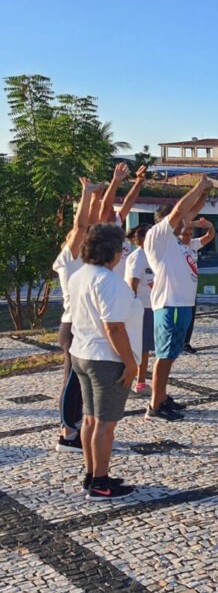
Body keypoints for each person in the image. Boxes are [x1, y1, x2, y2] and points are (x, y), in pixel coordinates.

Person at [68, 223, 142, 500]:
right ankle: (100, 482)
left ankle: (92, 473)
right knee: (105, 424)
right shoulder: (109, 282)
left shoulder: (79, 275)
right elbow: (113, 328)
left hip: (81, 353)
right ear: (113, 251)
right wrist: (130, 363)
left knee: (89, 419)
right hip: (105, 359)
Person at [143, 174, 213, 421]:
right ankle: (154, 405)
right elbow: (181, 210)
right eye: (180, 221)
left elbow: (191, 210)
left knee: (171, 354)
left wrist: (205, 193)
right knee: (164, 355)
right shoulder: (158, 236)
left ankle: (162, 396)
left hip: (182, 304)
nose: (186, 223)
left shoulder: (177, 242)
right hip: (169, 304)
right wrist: (198, 186)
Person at [53, 178, 101, 453]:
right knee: (73, 382)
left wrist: (95, 199)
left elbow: (89, 226)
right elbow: (81, 226)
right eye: (78, 238)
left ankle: (71, 428)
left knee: (78, 381)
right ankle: (67, 433)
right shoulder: (68, 259)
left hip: (81, 326)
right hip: (72, 326)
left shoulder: (80, 258)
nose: (84, 237)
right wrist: (84, 193)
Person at [124, 224, 154, 395]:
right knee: (138, 348)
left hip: (152, 306)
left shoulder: (152, 255)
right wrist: (133, 308)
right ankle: (128, 383)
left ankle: (141, 383)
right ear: (141, 240)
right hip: (141, 308)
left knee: (145, 348)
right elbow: (132, 284)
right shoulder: (137, 257)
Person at [180, 216, 215, 354]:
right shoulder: (173, 246)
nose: (188, 237)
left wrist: (210, 226)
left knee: (190, 318)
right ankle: (174, 343)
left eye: (190, 234)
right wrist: (192, 223)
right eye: (185, 234)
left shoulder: (193, 244)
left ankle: (185, 342)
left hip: (191, 290)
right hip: (177, 289)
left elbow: (209, 236)